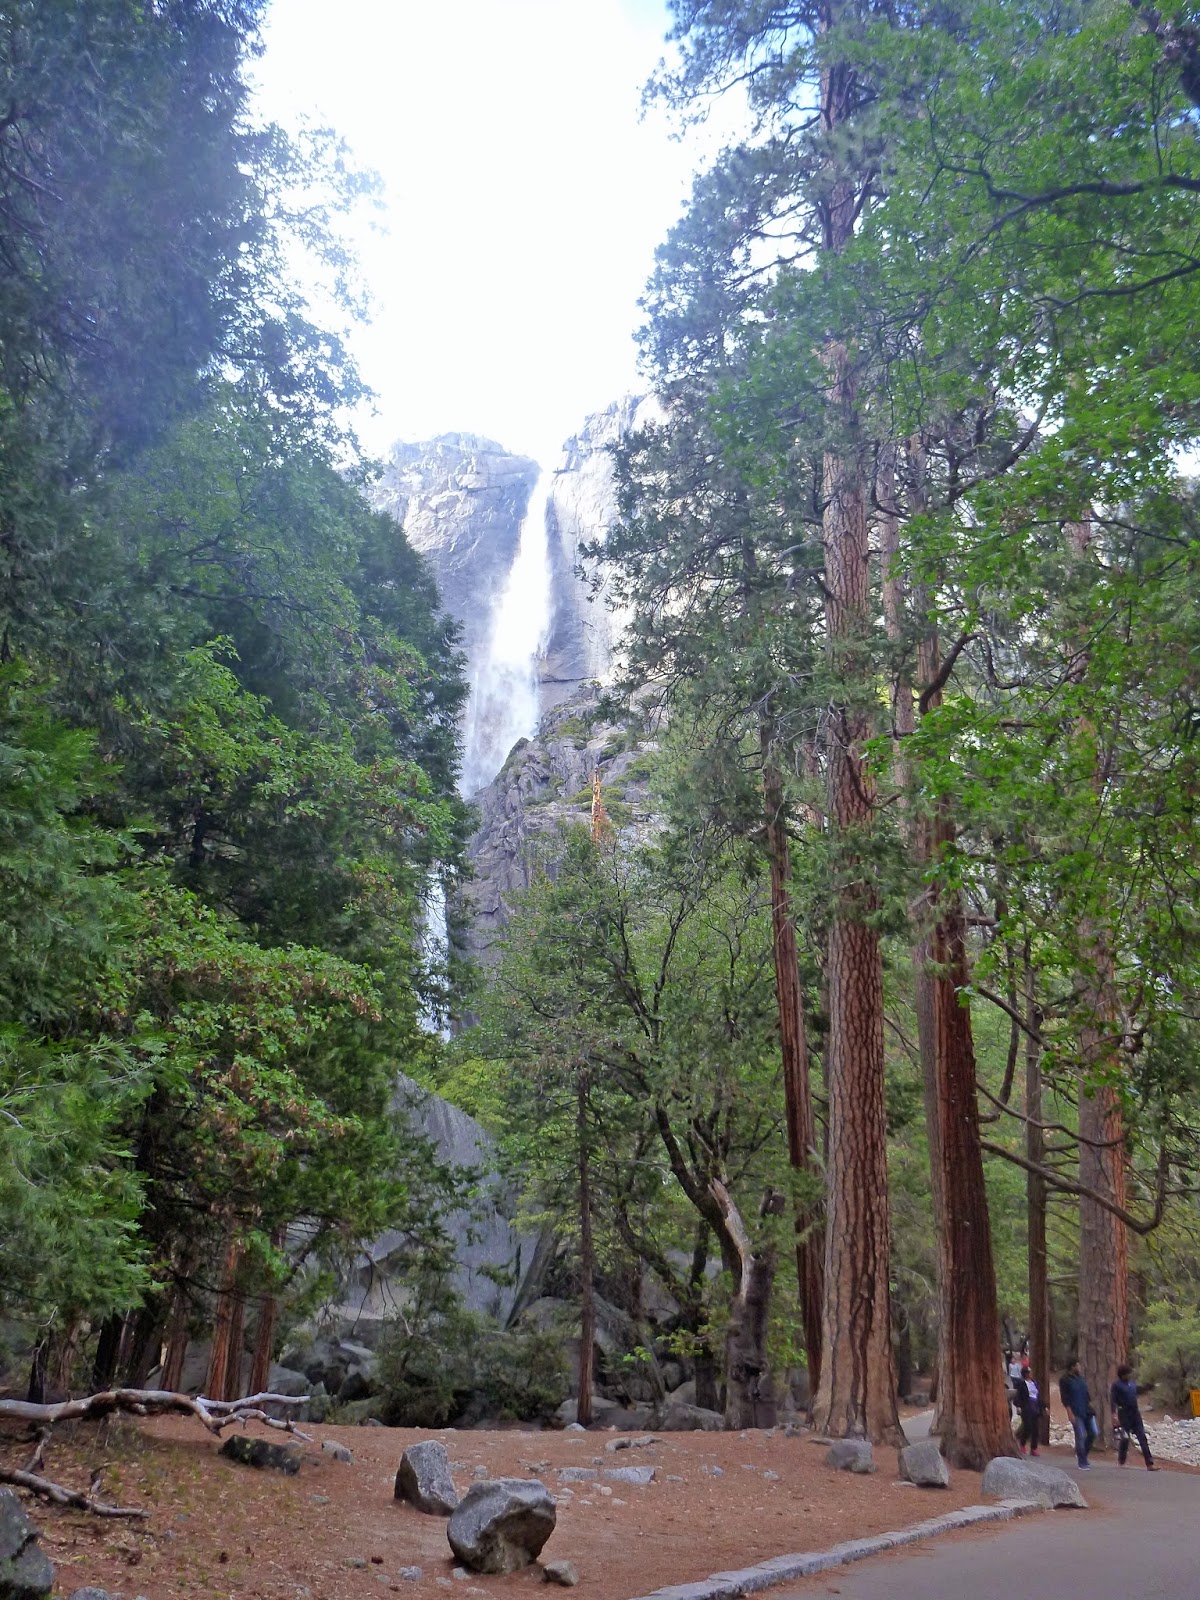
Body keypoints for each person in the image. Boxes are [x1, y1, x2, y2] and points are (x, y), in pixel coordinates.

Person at [1110, 1362, 1159, 1471]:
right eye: (1128, 1373)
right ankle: (1121, 1461)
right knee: (1125, 1438)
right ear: (1123, 1374)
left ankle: (1149, 1463)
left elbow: (1139, 1390)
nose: (1129, 1375)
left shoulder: (1132, 1384)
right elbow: (1113, 1400)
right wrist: (1114, 1414)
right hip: (1124, 1414)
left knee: (1142, 1437)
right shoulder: (1116, 1385)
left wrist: (1149, 1387)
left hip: (1135, 1414)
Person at [1059, 1359, 1097, 1468]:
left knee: (1093, 1432)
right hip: (1076, 1411)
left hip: (1087, 1410)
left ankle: (1083, 1453)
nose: (1080, 1368)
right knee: (1081, 1435)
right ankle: (1082, 1461)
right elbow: (1065, 1398)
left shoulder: (1081, 1378)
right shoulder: (1065, 1380)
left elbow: (1086, 1394)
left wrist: (1090, 1404)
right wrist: (1069, 1413)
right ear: (1072, 1367)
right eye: (1078, 1365)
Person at [1014, 1363, 1043, 1454]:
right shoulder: (1022, 1384)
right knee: (1028, 1427)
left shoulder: (1034, 1383)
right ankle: (1022, 1443)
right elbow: (1018, 1396)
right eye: (1029, 1372)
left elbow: (1038, 1396)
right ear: (1026, 1374)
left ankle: (1034, 1448)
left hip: (1035, 1407)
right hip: (1026, 1407)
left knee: (1036, 1428)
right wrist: (1018, 1406)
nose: (1031, 1373)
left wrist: (1043, 1406)